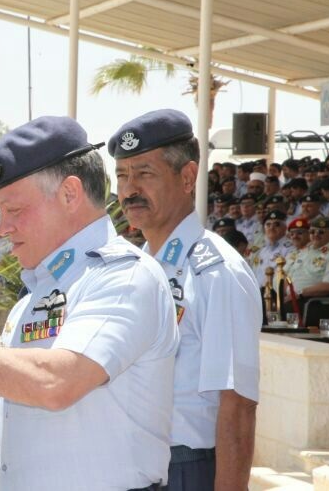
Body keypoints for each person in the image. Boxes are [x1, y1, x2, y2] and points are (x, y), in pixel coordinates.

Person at [0, 116, 179, 490]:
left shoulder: (123, 277)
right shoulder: (38, 294)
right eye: (0, 212)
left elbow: (55, 382)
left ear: (70, 194)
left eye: (14, 210)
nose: (2, 228)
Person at [110, 109, 261, 491]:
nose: (129, 189)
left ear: (187, 177)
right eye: (122, 176)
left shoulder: (217, 273)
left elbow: (237, 404)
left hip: (184, 470)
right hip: (129, 464)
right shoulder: (137, 267)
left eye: (144, 174)